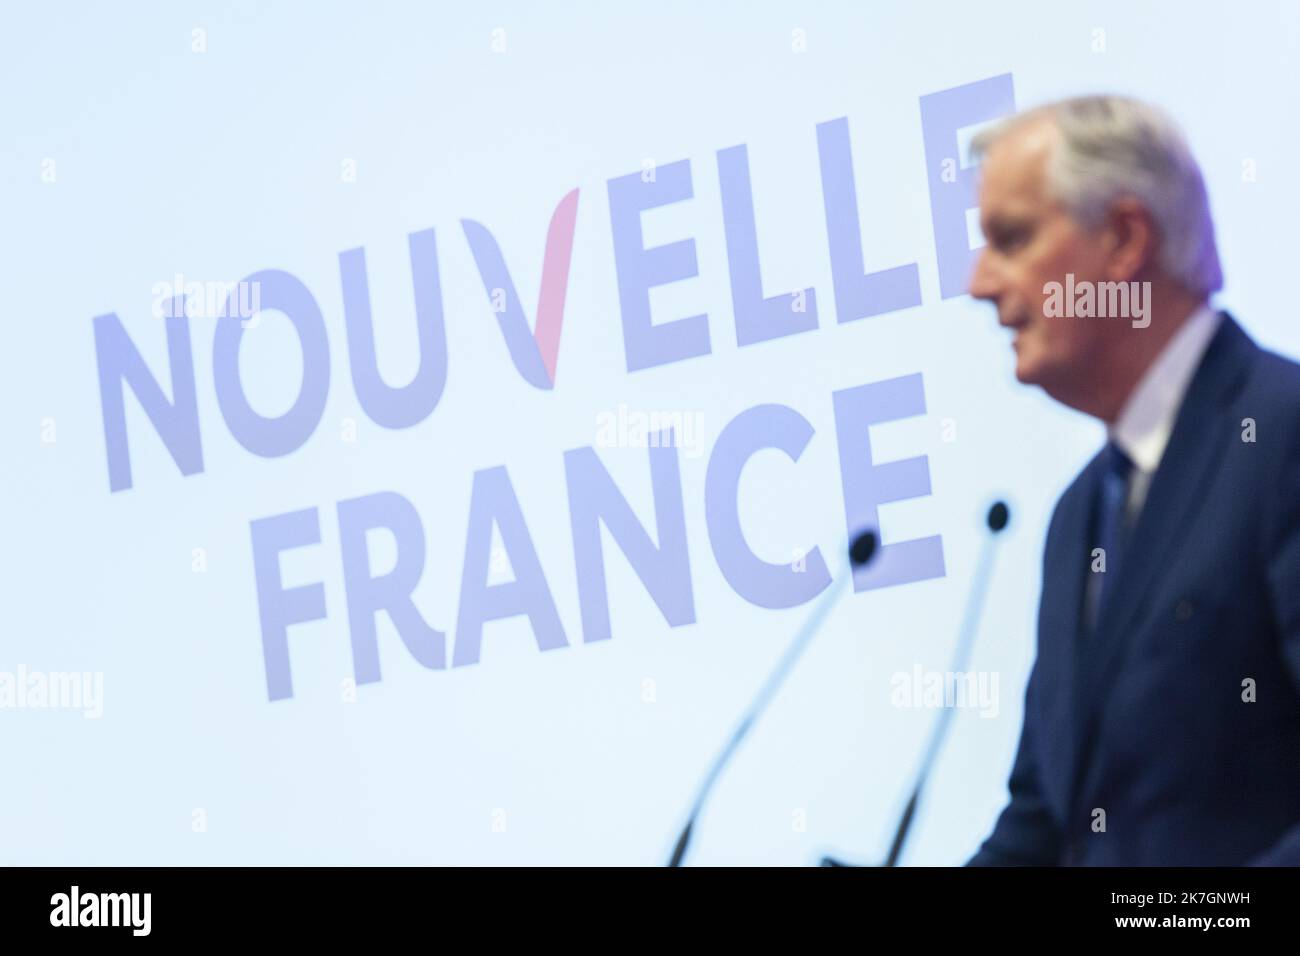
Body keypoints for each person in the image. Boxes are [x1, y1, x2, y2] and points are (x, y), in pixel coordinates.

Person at [966, 95, 1300, 865]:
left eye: (1011, 240)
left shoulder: (1283, 438)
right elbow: (1045, 825)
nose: (979, 284)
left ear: (1123, 240)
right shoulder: (1079, 516)